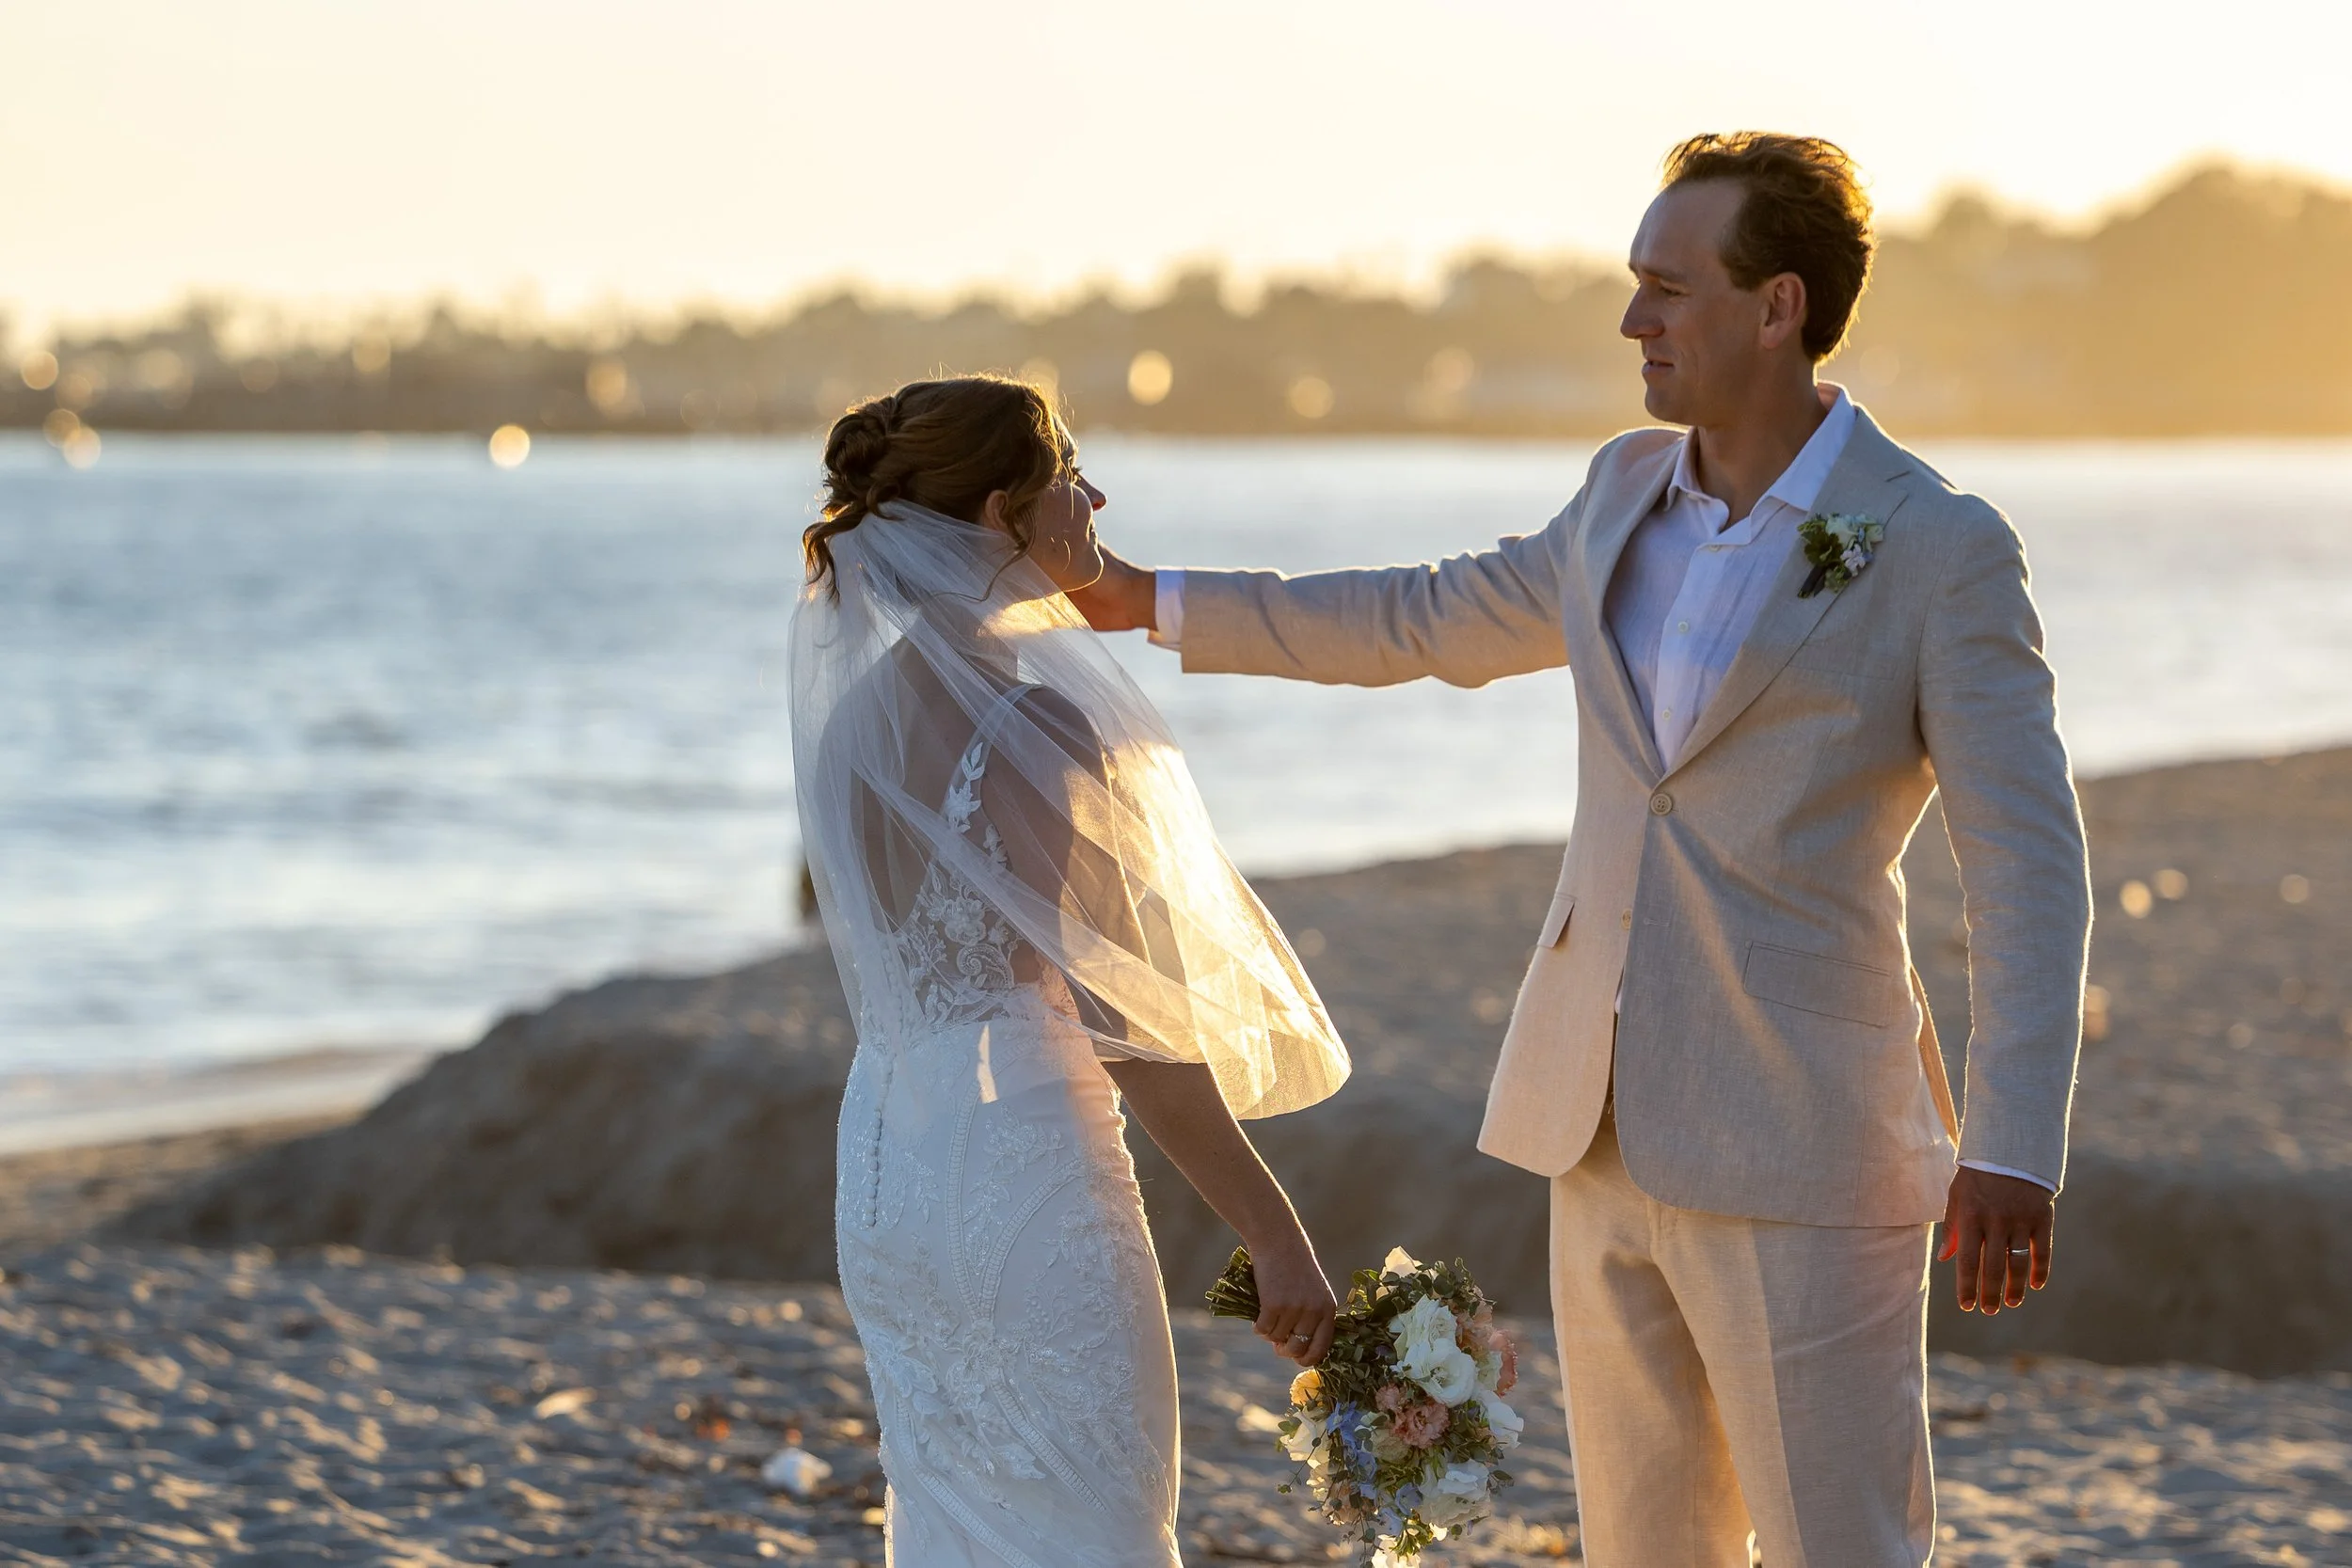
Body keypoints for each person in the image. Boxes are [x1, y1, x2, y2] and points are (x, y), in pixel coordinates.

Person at [1072, 134, 2092, 1565]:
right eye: (1634, 286)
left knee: (1844, 1542)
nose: (1633, 323)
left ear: (1777, 305)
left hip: (1810, 1136)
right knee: (1644, 1545)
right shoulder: (1619, 493)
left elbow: (2028, 869)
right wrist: (1144, 599)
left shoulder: (1939, 545)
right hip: (1596, 1125)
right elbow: (1419, 617)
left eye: (1667, 290)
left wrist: (2012, 1146)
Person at [788, 374, 1351, 1568]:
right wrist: (1275, 1230)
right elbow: (1126, 1023)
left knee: (951, 1514)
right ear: (1002, 514)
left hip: (890, 1174)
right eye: (1069, 475)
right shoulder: (1043, 724)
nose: (1095, 496)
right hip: (1022, 1178)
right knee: (1097, 1525)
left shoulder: (856, 727)